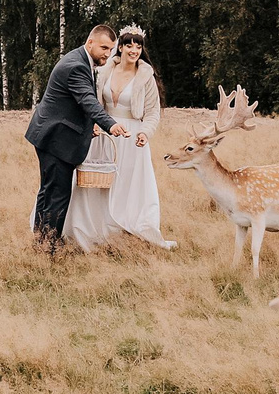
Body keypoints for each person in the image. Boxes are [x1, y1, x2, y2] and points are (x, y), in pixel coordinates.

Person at [64, 25, 174, 250]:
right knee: (97, 183)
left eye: (138, 46)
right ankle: (94, 230)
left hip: (132, 136)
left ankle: (125, 230)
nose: (134, 50)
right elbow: (94, 104)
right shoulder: (105, 71)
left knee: (126, 186)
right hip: (105, 134)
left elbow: (153, 113)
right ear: (120, 48)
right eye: (129, 45)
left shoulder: (145, 77)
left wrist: (145, 132)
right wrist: (94, 124)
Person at [25, 23, 128, 251]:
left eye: (110, 50)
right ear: (90, 42)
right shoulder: (76, 66)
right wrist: (110, 124)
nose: (107, 54)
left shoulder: (82, 60)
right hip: (56, 139)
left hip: (50, 134)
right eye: (104, 47)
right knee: (58, 194)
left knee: (49, 191)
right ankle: (49, 246)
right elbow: (88, 101)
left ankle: (40, 240)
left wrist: (88, 124)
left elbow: (75, 101)